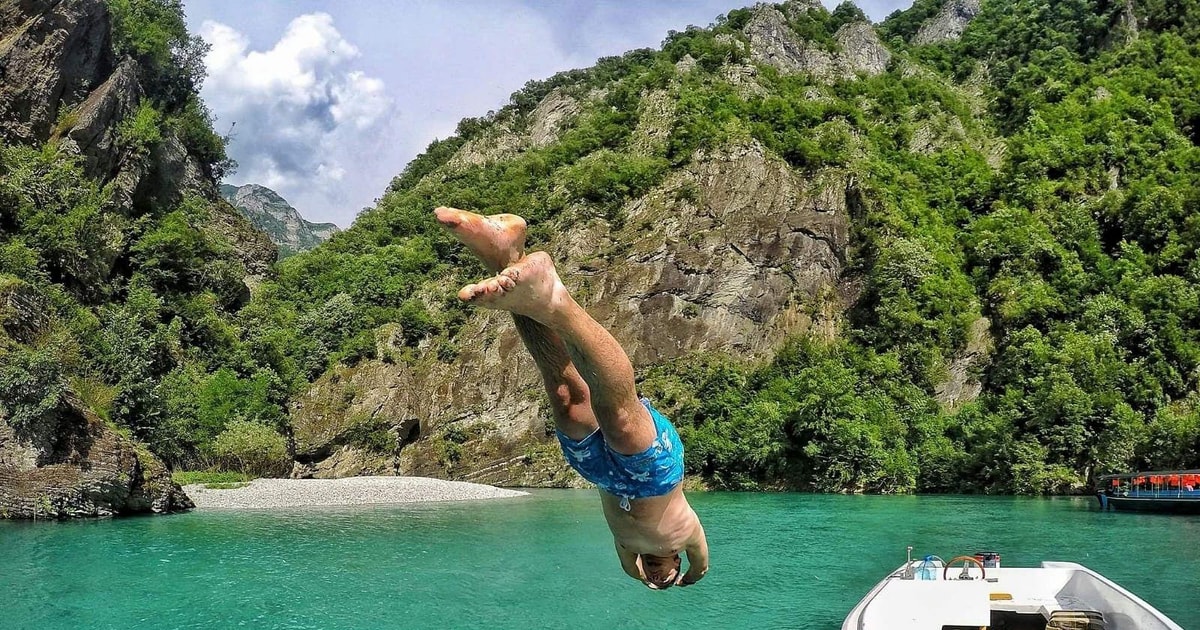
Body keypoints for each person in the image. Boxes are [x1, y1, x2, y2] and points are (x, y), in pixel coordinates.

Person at [435, 206, 710, 590]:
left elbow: (633, 572)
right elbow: (701, 569)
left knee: (566, 395)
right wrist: (686, 579)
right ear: (676, 563)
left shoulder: (629, 554)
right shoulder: (689, 540)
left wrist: (645, 581)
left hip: (602, 475)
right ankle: (556, 299)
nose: (657, 575)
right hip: (655, 476)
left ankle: (505, 254)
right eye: (665, 575)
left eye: (655, 579)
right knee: (619, 416)